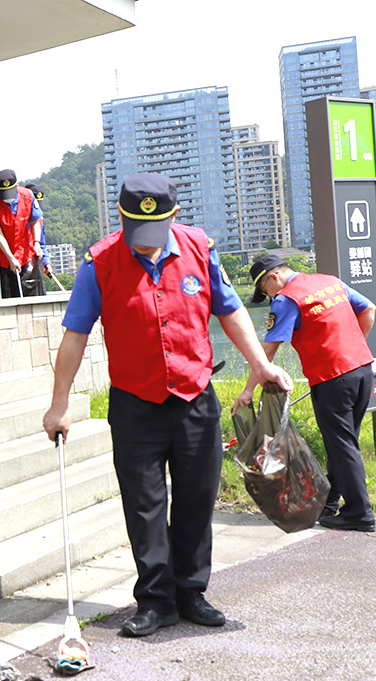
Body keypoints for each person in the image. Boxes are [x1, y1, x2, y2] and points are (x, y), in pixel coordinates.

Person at [42, 173, 292, 637]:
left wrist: (259, 365)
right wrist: (59, 405)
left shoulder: (199, 248)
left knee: (198, 496)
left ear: (175, 217)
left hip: (194, 397)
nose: (146, 245)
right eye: (137, 232)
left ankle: (191, 591)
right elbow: (75, 335)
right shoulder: (100, 262)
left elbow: (232, 309)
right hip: (135, 404)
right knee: (145, 504)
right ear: (121, 217)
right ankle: (156, 600)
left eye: (155, 233)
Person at [236, 254, 376, 533]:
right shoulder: (330, 282)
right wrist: (353, 348)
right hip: (362, 369)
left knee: (342, 444)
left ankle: (361, 513)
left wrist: (248, 390)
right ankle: (331, 503)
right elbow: (369, 309)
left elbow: (267, 352)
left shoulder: (287, 299)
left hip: (333, 378)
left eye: (266, 292)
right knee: (345, 443)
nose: (269, 298)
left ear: (273, 278)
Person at [0, 169, 44, 298]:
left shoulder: (28, 196)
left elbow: (35, 221)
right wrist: (10, 257)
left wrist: (37, 243)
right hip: (3, 257)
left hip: (25, 253)